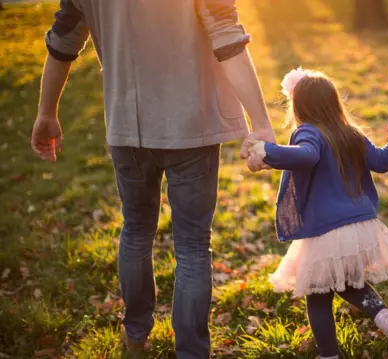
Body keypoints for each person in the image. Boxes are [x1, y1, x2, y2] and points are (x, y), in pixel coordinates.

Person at [30, 0, 274, 357]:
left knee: (136, 230)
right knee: (191, 246)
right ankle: (190, 352)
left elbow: (62, 41)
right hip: (193, 123)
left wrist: (46, 111)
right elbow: (228, 38)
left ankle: (135, 338)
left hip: (127, 125)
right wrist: (261, 121)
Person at [246, 68, 388, 358]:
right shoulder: (351, 134)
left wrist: (267, 151)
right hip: (361, 228)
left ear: (299, 107)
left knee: (317, 296)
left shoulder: (308, 132)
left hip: (327, 229)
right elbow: (385, 160)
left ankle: (328, 355)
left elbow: (308, 155)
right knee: (350, 283)